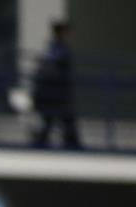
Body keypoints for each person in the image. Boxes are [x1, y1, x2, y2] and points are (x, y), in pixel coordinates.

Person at [31, 21, 81, 149]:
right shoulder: (58, 49)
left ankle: (43, 142)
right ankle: (71, 145)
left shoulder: (53, 48)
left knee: (55, 120)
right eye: (67, 32)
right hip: (56, 92)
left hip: (55, 92)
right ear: (62, 33)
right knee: (61, 119)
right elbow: (56, 70)